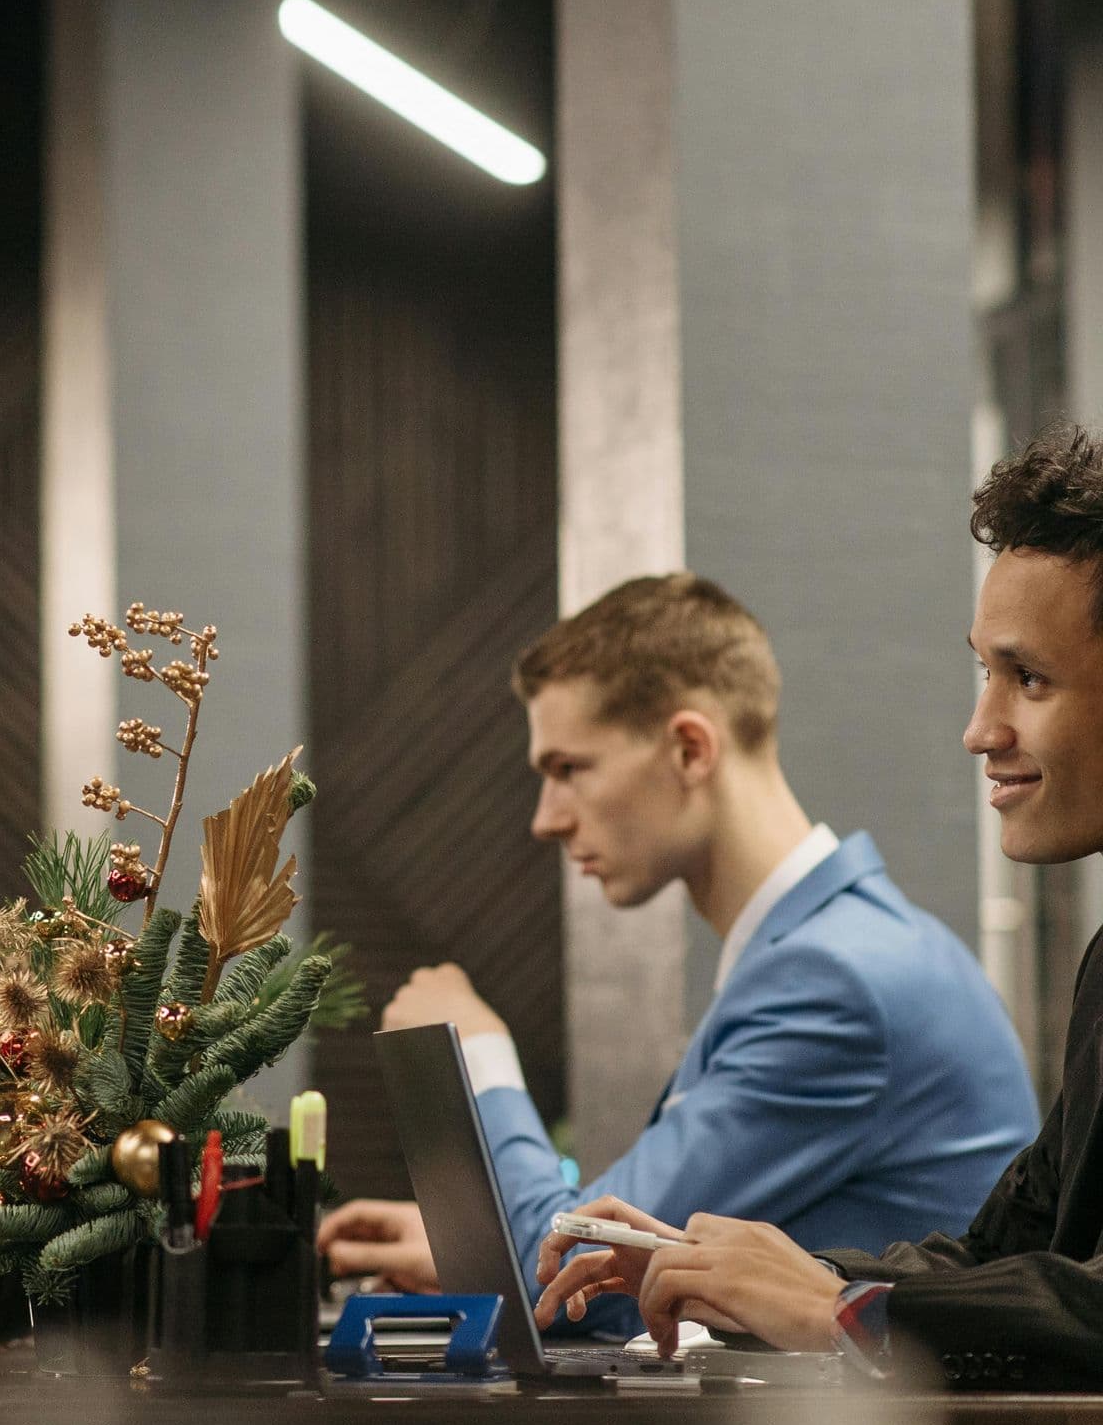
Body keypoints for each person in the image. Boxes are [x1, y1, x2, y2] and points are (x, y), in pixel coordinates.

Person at [531, 428, 1103, 1425]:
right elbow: (1003, 1252)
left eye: (1025, 676)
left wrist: (832, 1308)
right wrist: (779, 1275)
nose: (978, 728)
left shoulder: (839, 978)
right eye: (982, 672)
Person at [319, 572, 1038, 1341]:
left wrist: (479, 1057)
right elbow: (628, 1260)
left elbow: (560, 1276)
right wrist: (462, 1249)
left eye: (570, 769)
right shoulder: (835, 951)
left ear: (691, 748)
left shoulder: (838, 983)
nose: (546, 820)